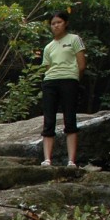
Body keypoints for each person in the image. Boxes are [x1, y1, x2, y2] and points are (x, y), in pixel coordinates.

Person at [40, 10, 87, 167]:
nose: (56, 26)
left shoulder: (74, 39)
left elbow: (81, 65)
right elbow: (47, 68)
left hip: (69, 80)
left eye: (59, 22)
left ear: (65, 23)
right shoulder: (49, 47)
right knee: (49, 119)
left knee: (70, 119)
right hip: (50, 82)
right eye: (53, 24)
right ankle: (47, 159)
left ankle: (71, 160)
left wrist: (74, 80)